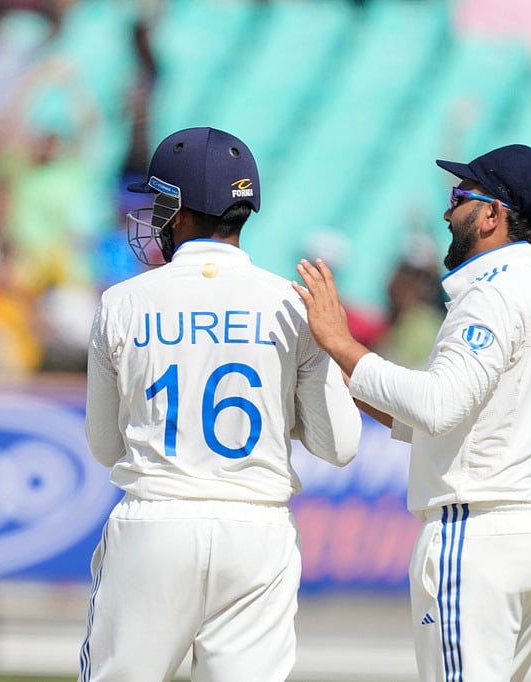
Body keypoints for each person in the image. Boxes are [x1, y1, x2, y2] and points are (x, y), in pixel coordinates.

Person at [293, 143, 531, 682]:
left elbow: (436, 405)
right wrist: (347, 376)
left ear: (493, 215)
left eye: (460, 197)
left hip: (482, 531)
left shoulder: (493, 293)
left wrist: (341, 344)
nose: (446, 211)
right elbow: (450, 416)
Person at [80, 127, 362, 682]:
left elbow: (104, 445)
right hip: (257, 531)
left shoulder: (122, 301)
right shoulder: (293, 304)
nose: (156, 214)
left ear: (181, 210)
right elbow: (340, 445)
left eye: (162, 201)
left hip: (155, 524)